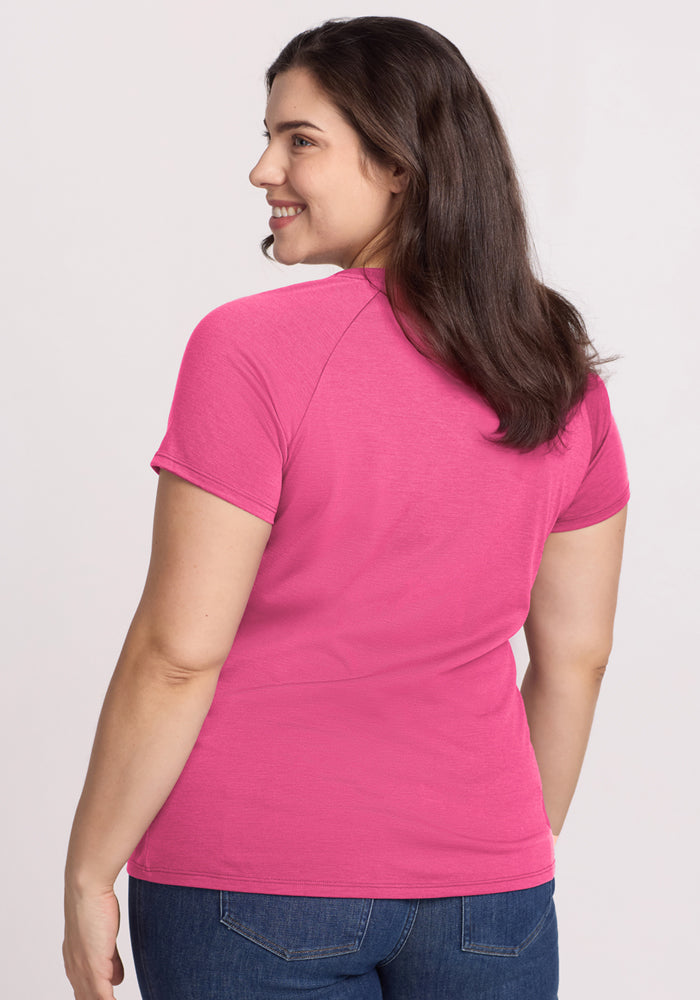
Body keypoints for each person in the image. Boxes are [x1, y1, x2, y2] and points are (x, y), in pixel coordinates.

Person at [63, 15, 629, 1000]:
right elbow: (575, 655)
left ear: (401, 164)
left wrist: (85, 867)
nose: (261, 169)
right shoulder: (554, 370)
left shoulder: (249, 348)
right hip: (489, 891)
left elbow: (177, 654)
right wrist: (499, 845)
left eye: (299, 140)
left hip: (248, 881)